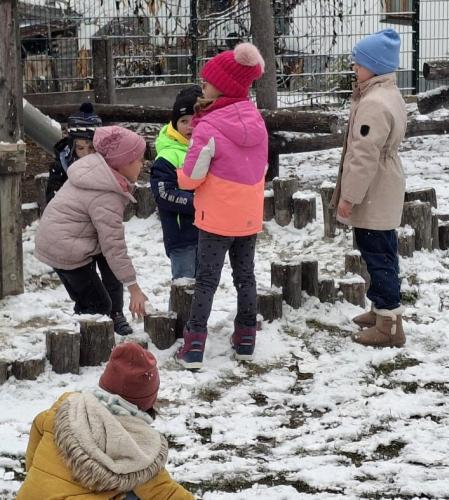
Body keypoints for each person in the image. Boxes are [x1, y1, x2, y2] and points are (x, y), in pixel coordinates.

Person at [175, 42, 268, 369]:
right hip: (248, 216)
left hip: (216, 218)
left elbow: (192, 176)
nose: (203, 84)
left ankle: (194, 345)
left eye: (208, 81)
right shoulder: (257, 120)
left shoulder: (209, 126)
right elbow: (261, 166)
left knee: (207, 280)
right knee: (245, 277)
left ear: (224, 86)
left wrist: (180, 175)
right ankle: (246, 338)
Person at [16, 342, 195, 499]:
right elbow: (164, 492)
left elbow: (37, 430)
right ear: (147, 401)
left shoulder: (66, 408)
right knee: (134, 491)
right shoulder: (136, 444)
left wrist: (37, 476)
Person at [330, 29, 407, 348]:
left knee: (377, 254)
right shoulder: (388, 93)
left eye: (359, 63)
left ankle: (389, 324)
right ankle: (381, 309)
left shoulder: (374, 103)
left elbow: (363, 156)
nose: (354, 67)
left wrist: (349, 197)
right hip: (384, 183)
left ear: (374, 66)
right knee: (382, 249)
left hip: (374, 188)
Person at [35, 126, 149, 326]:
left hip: (55, 241)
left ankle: (85, 331)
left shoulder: (95, 172)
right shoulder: (106, 194)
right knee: (99, 305)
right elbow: (114, 245)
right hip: (66, 248)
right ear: (123, 163)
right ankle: (84, 340)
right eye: (139, 160)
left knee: (88, 301)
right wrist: (134, 288)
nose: (142, 165)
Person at [150, 85, 203, 280]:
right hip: (181, 236)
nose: (190, 126)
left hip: (207, 232)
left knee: (205, 285)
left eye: (195, 120)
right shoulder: (168, 156)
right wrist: (197, 202)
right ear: (174, 123)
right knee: (185, 283)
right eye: (183, 121)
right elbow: (164, 194)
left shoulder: (206, 149)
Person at [46, 102, 103, 203]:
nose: (86, 153)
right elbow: (53, 201)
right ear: (72, 148)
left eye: (91, 147)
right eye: (80, 148)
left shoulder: (105, 164)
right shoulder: (62, 165)